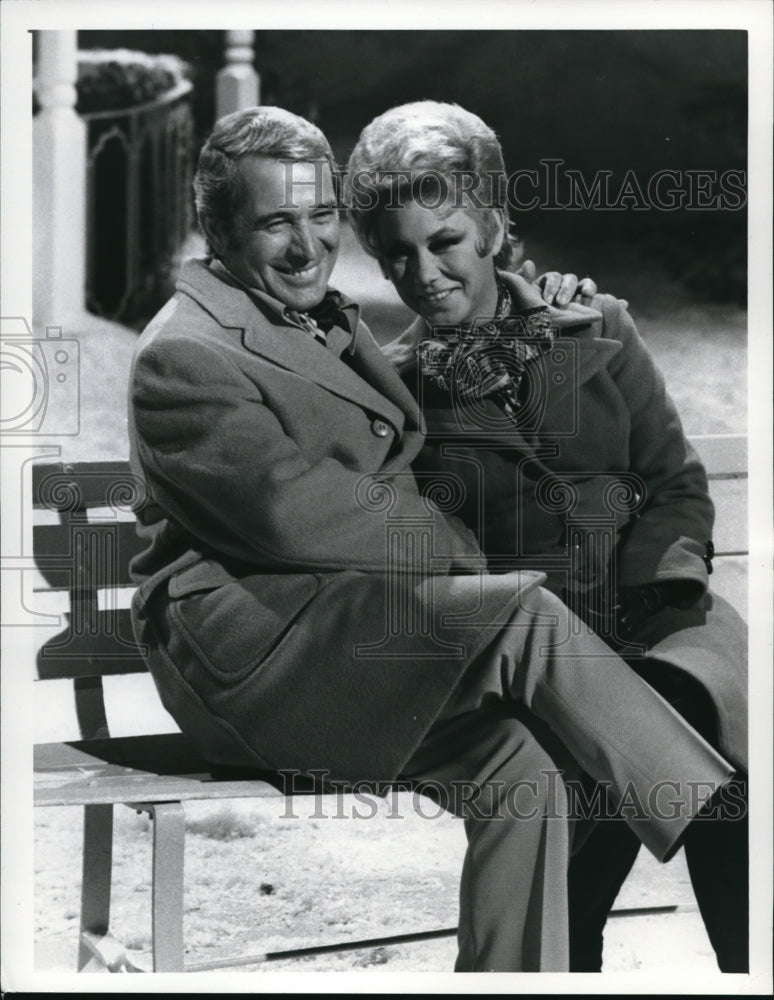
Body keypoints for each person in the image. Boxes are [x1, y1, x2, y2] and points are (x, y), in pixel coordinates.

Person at [128, 105, 737, 973]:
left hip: (379, 629)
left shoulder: (321, 323)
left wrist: (542, 327)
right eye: (275, 222)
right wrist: (457, 545)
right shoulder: (192, 351)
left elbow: (665, 482)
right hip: (268, 656)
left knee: (525, 772)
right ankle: (710, 808)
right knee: (529, 627)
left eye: (319, 217)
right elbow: (293, 508)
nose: (306, 246)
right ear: (218, 231)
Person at [346, 100, 749, 972]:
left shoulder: (598, 328)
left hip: (664, 620)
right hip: (540, 658)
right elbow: (432, 558)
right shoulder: (397, 391)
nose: (423, 275)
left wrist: (653, 590)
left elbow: (675, 485)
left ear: (493, 224)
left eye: (445, 241)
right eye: (396, 255)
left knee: (706, 739)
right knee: (696, 784)